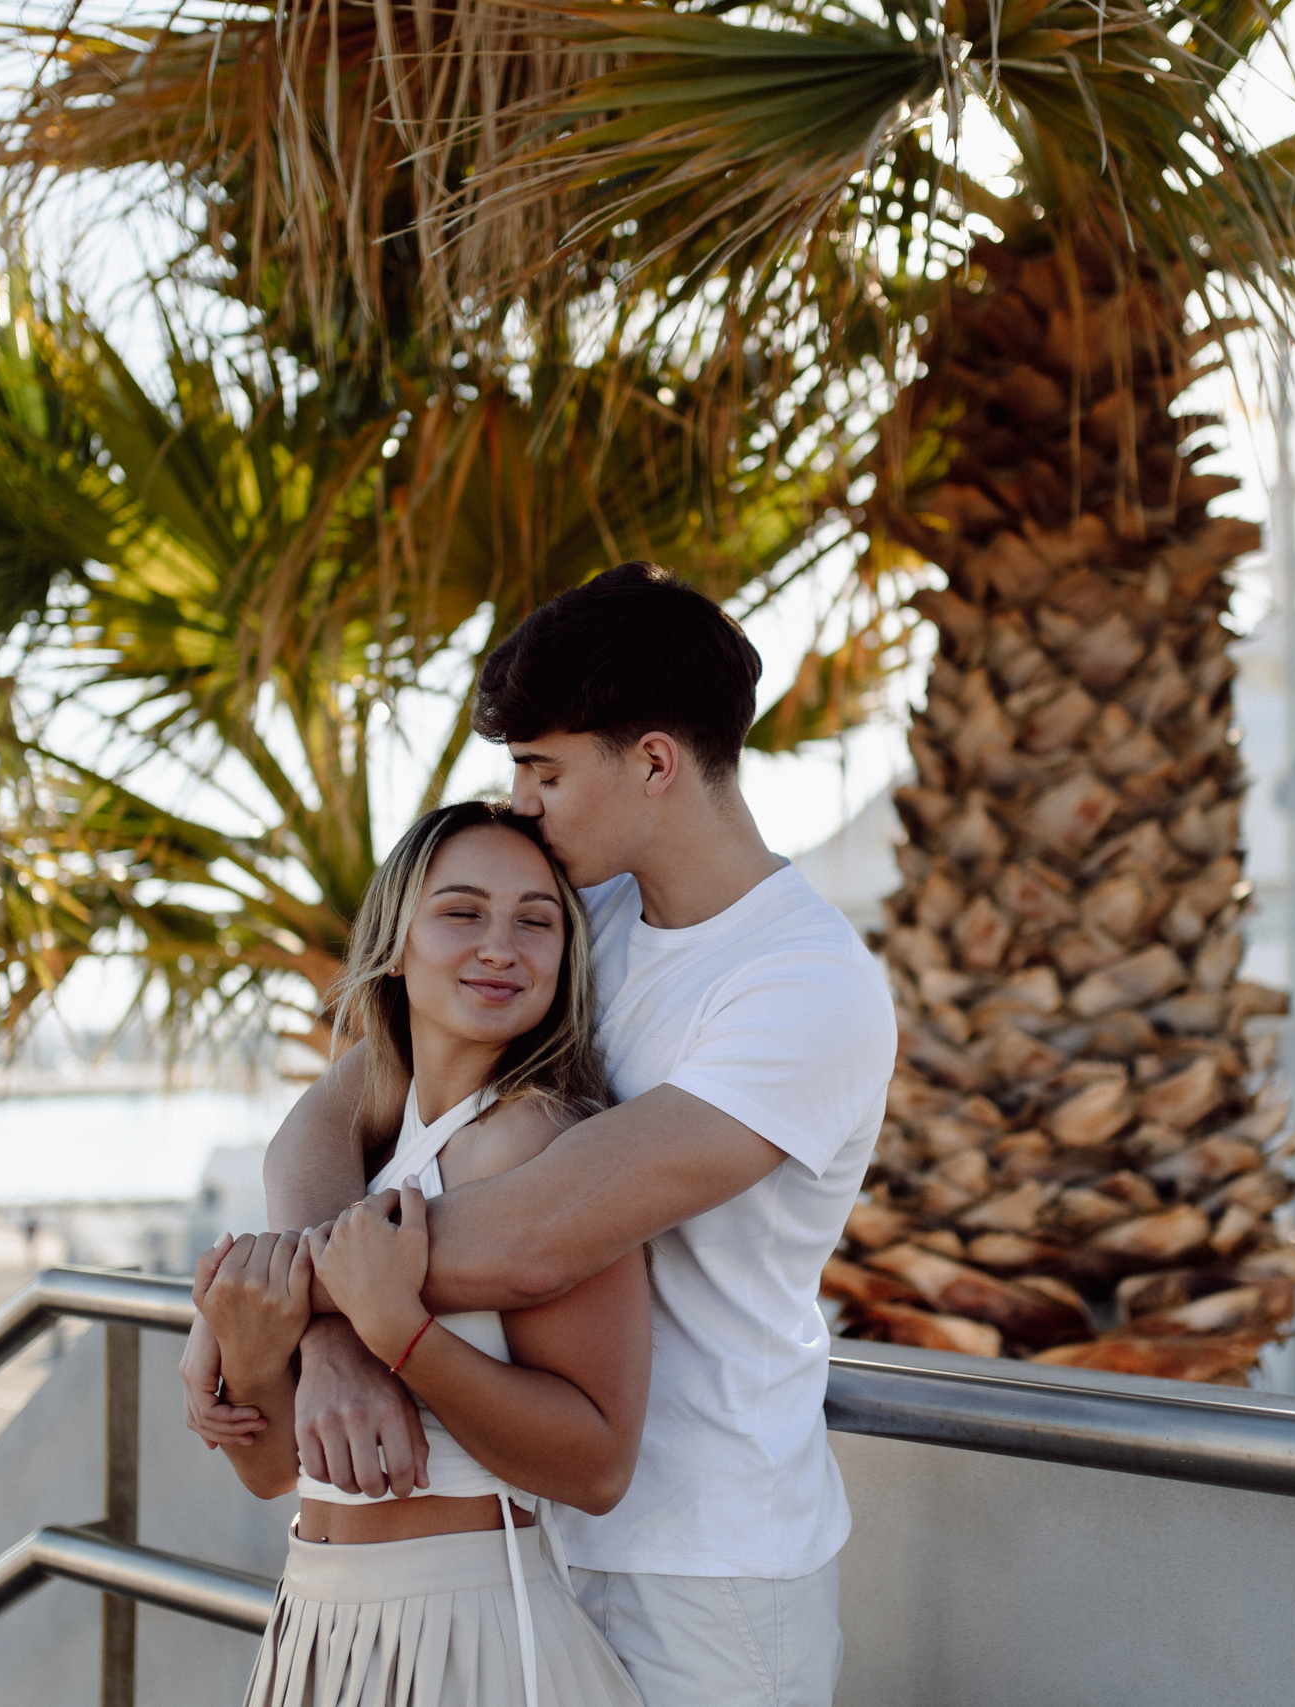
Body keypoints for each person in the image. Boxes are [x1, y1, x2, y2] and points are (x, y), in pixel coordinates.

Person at [185, 564, 899, 1707]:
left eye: (545, 770)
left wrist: (261, 1298)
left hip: (705, 1566)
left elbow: (532, 1237)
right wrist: (319, 1343)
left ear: (655, 763)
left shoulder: (802, 990)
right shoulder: (574, 921)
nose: (520, 805)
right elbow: (330, 1114)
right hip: (523, 1539)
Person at [197, 801, 650, 1707]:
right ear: (396, 943)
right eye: (461, 911)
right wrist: (249, 1361)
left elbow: (598, 1464)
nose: (499, 945)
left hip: (469, 1634)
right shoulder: (368, 1140)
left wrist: (399, 1337)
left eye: (536, 919)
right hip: (315, 1622)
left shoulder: (536, 1142)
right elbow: (273, 1471)